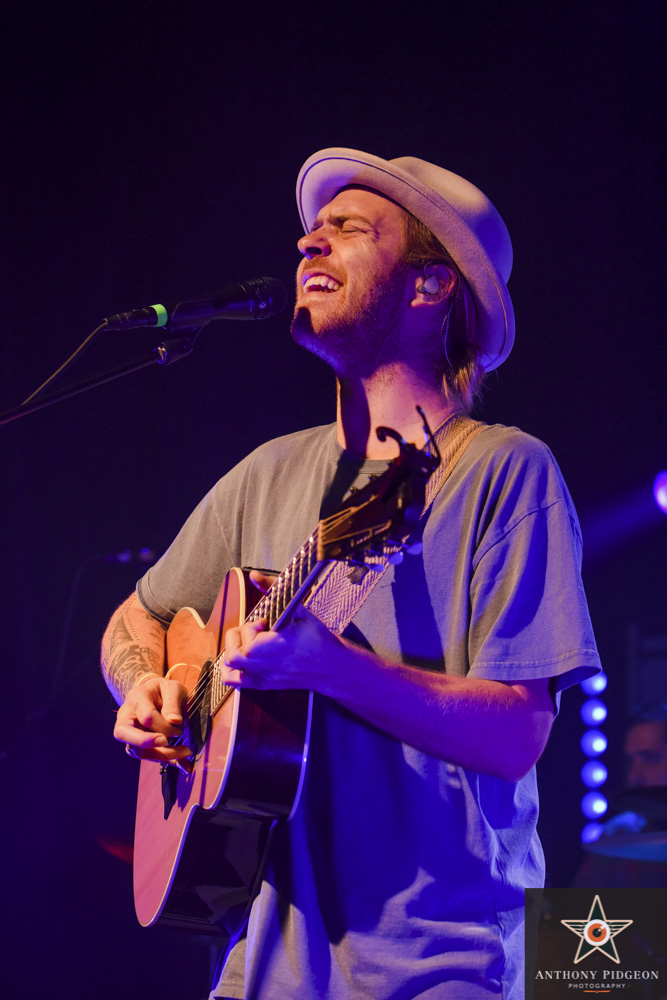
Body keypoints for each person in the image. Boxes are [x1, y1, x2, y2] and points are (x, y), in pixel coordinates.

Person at [101, 148, 602, 1000]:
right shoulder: (266, 472)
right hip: (256, 964)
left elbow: (517, 735)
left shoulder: (502, 471)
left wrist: (333, 669)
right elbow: (133, 618)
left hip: (437, 964)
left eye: (348, 231)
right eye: (311, 230)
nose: (308, 245)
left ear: (429, 287)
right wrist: (147, 689)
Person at [573, 702, 667, 888]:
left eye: (650, 758)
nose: (634, 776)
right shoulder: (618, 832)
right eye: (631, 761)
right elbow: (578, 914)